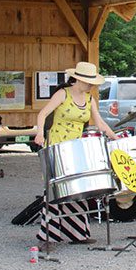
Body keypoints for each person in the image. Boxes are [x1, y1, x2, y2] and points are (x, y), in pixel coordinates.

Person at [34, 61, 118, 248]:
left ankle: (78, 232)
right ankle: (48, 237)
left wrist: (115, 138)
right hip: (57, 146)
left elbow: (100, 123)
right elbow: (43, 113)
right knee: (54, 192)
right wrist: (40, 133)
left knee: (78, 189)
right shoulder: (62, 94)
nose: (91, 85)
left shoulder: (89, 99)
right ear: (79, 79)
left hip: (76, 148)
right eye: (89, 82)